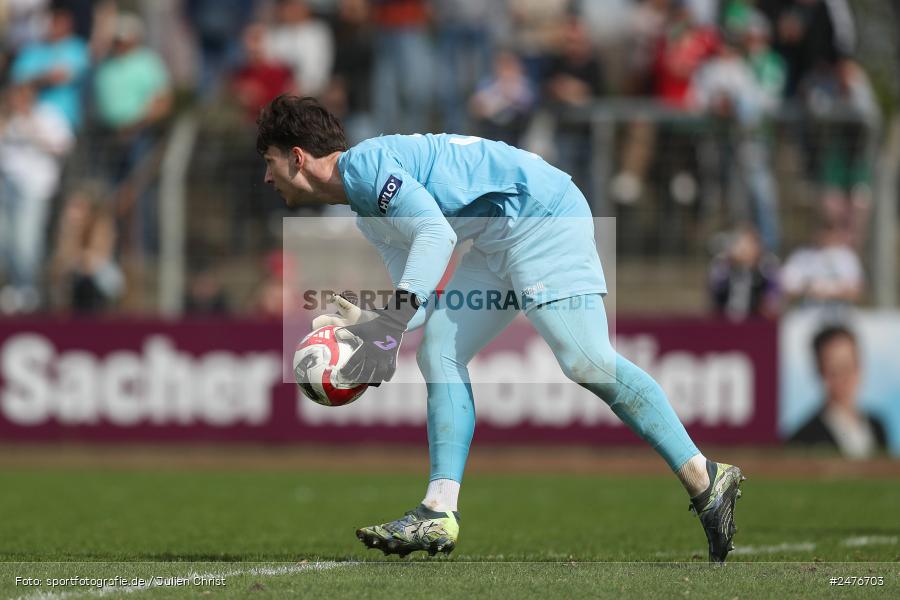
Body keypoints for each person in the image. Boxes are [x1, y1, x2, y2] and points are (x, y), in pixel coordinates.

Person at [255, 95, 746, 562]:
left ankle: (705, 475)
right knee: (438, 350)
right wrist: (369, 322)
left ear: (298, 158)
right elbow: (419, 299)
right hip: (497, 236)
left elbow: (435, 234)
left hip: (539, 213)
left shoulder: (364, 168)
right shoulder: (366, 211)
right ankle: (438, 512)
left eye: (270, 161)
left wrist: (390, 322)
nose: (266, 175)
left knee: (585, 360)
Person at [789, 325, 887, 458]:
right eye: (835, 369)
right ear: (820, 371)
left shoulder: (877, 426)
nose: (845, 378)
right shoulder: (803, 439)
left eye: (849, 365)